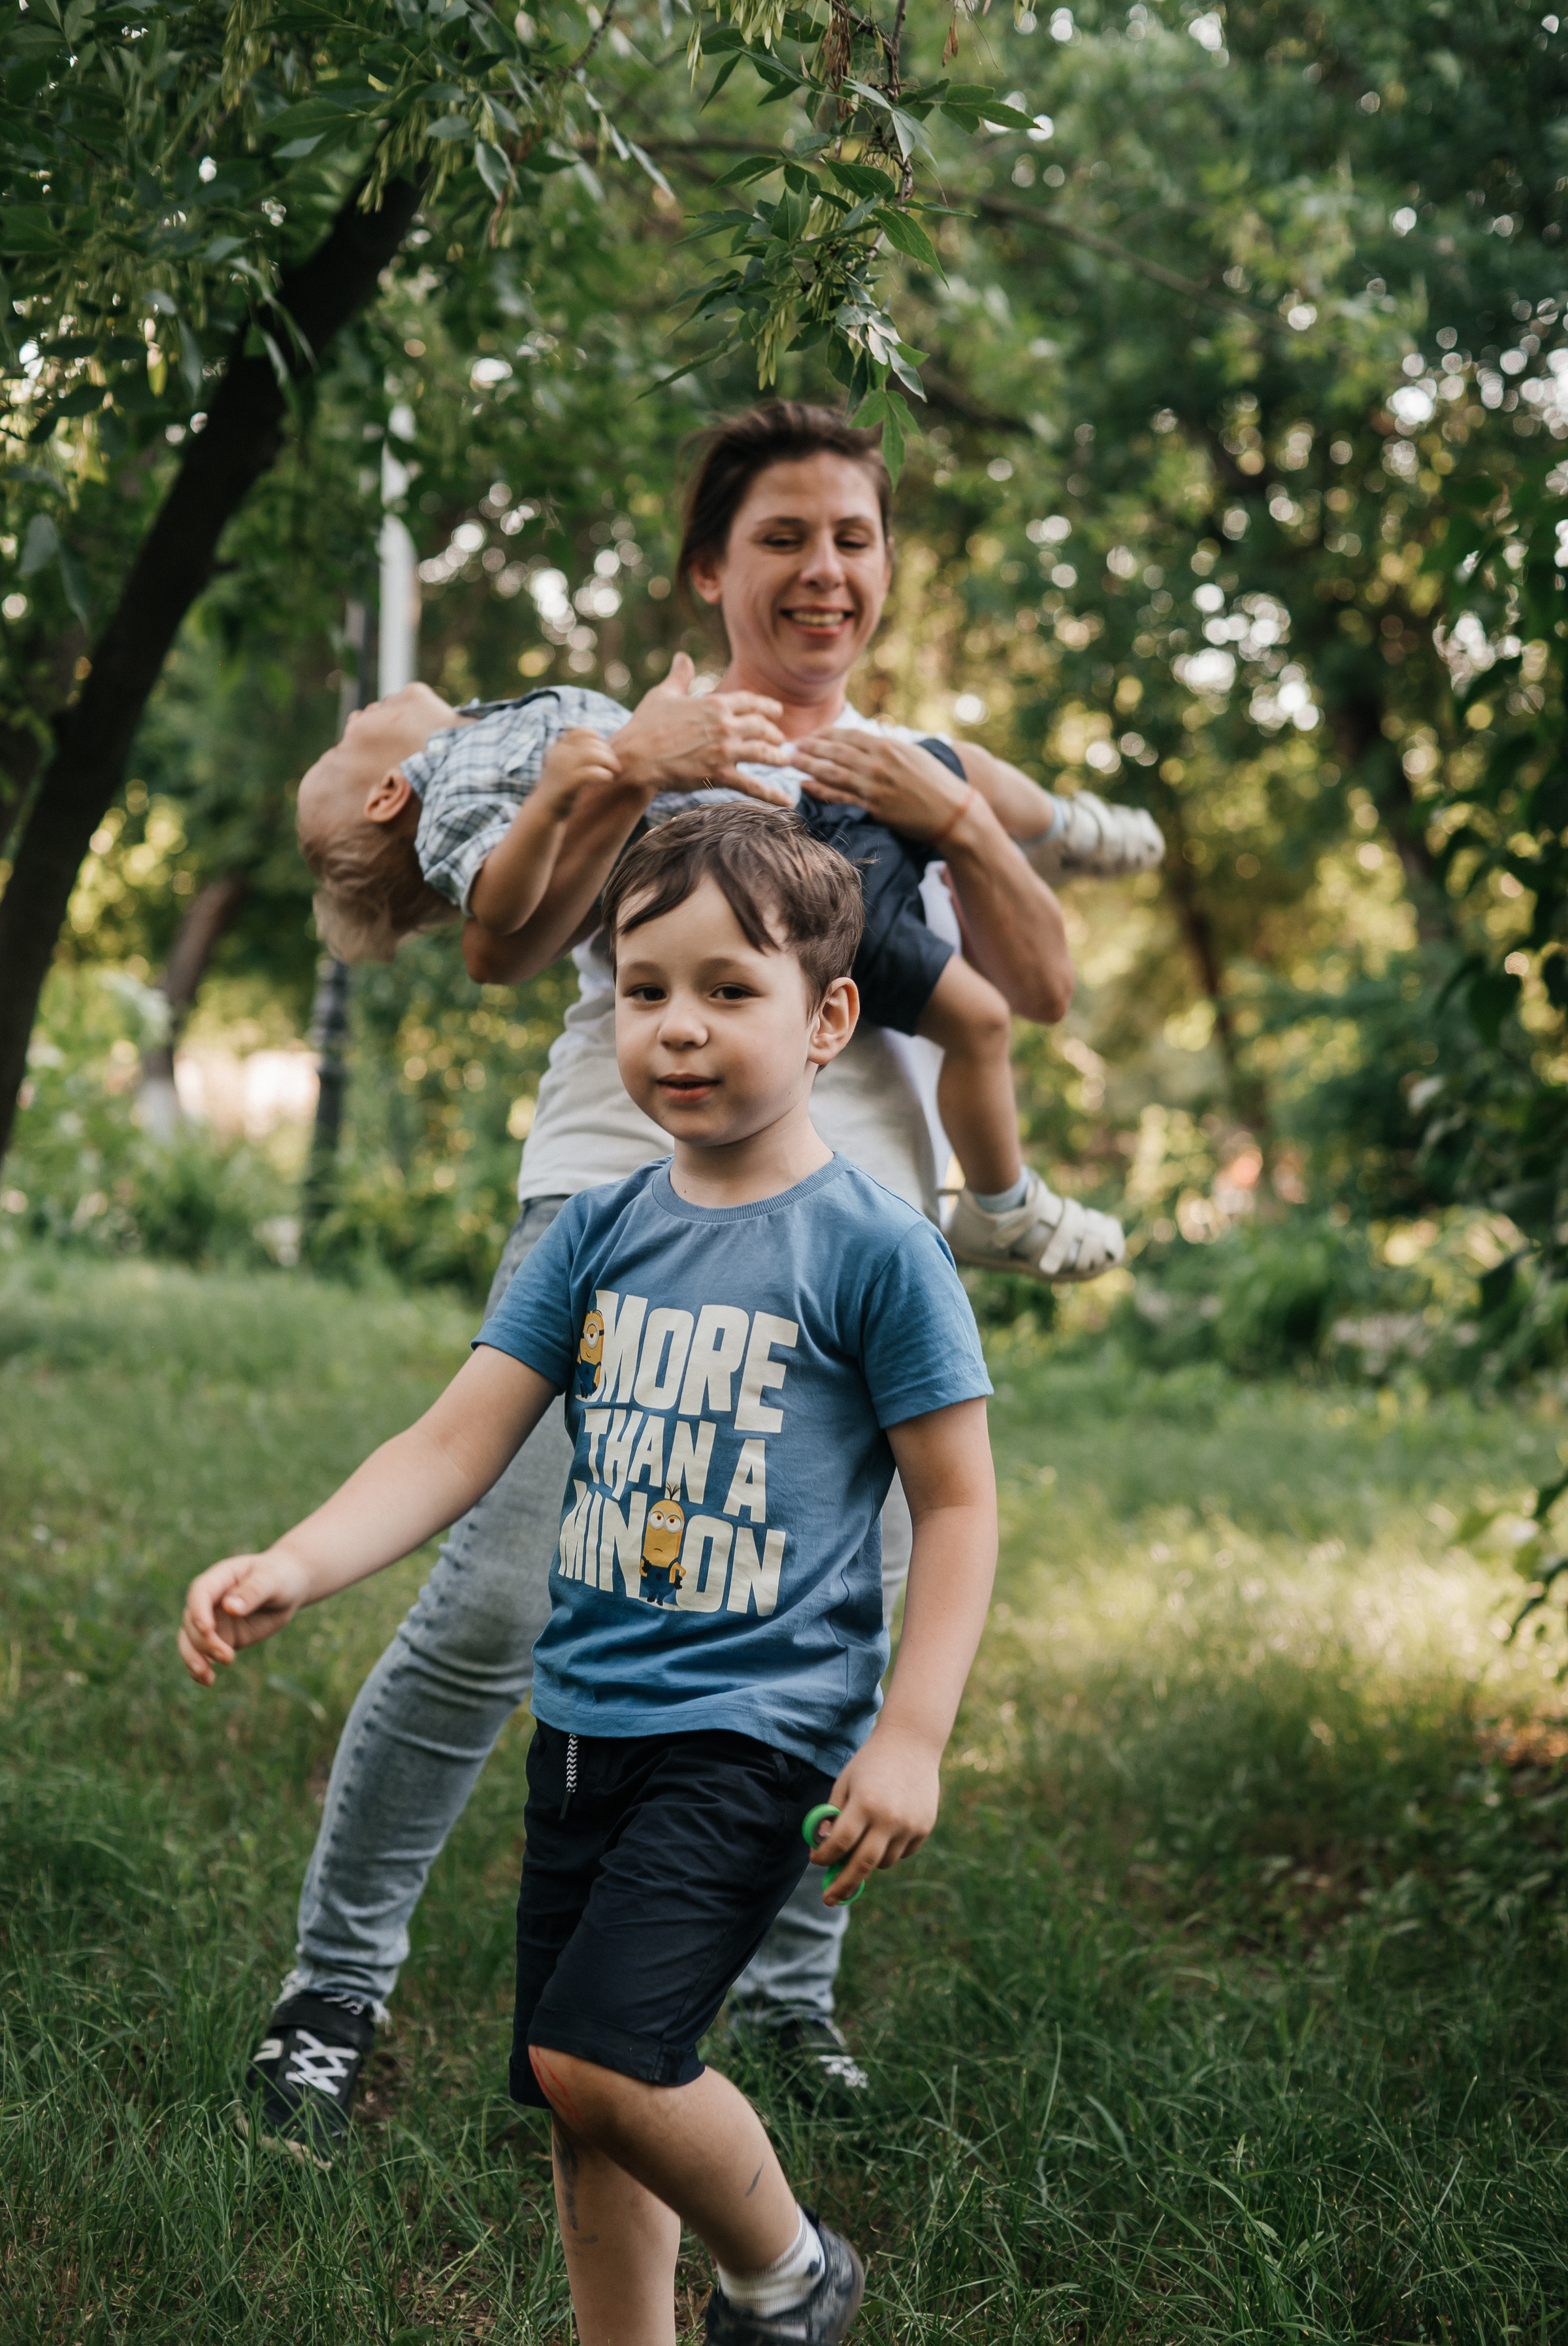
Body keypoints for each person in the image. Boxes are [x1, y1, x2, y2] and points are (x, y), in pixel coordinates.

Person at [238, 401, 1125, 2166]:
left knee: (821, 1644)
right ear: (712, 569)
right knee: (495, 1608)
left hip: (853, 1244)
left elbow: (1046, 991)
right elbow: (495, 945)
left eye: (855, 538)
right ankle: (334, 1991)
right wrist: (620, 768)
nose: (825, 570)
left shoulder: (916, 763)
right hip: (615, 1208)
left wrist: (964, 817)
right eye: (785, 537)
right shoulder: (620, 731)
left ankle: (787, 2006)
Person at [182, 804, 1000, 2346]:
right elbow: (452, 1442)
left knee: (598, 2053)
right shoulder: (600, 1234)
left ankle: (789, 2271)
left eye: (725, 990)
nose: (676, 1028)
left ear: (827, 1017)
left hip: (754, 1731)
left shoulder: (874, 1249)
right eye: (641, 990)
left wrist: (911, 1730)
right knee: (589, 2097)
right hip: (584, 1726)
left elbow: (956, 1507)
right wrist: (297, 1560)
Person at [297, 668, 1133, 1288]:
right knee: (980, 1019)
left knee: (956, 766)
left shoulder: (485, 727)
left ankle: (1063, 830)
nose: (356, 712)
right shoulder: (454, 789)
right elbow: (498, 914)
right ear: (386, 795)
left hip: (796, 813)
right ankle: (1001, 1203)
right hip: (791, 871)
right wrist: (566, 793)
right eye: (339, 744)